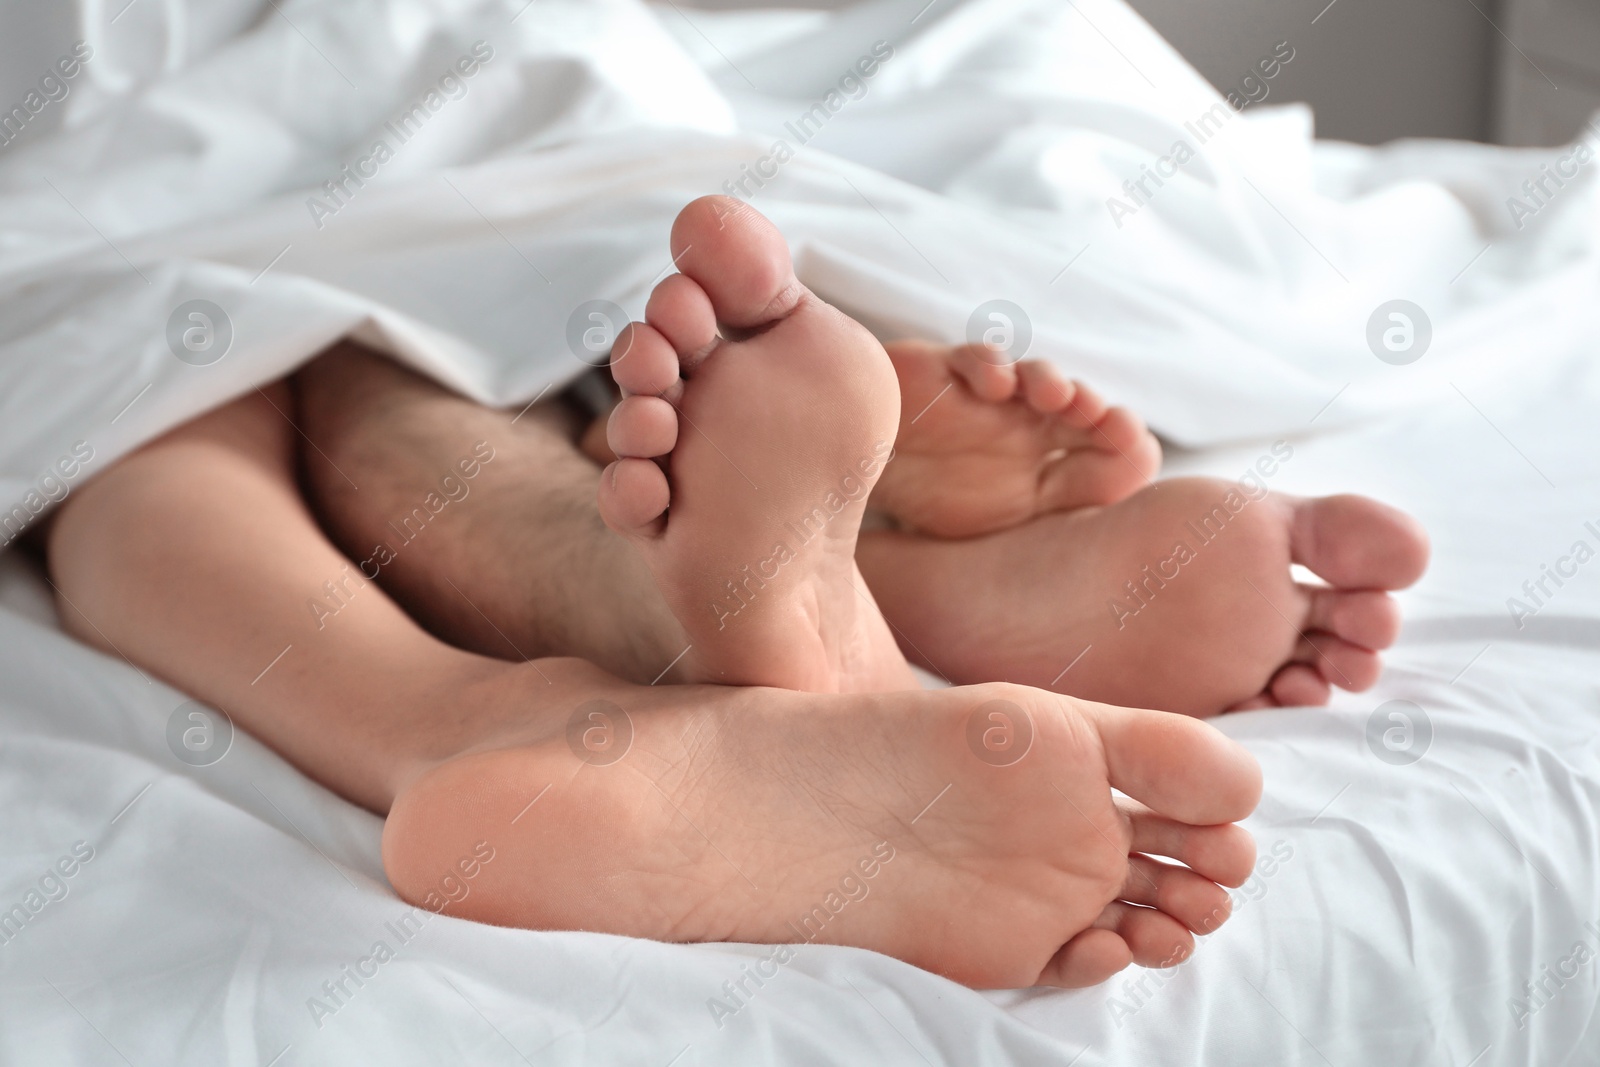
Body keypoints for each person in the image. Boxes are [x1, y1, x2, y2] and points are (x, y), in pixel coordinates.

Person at [39, 196, 1426, 989]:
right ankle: (825, 583)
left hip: (209, 186)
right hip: (491, 182)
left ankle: (484, 700)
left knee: (150, 435)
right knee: (376, 336)